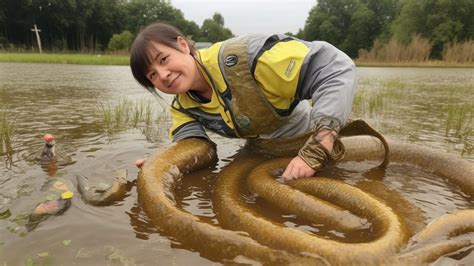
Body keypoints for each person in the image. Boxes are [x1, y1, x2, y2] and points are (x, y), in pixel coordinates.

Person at [130, 22, 356, 181]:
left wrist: (318, 149)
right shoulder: (183, 107)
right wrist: (164, 162)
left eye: (164, 59)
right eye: (152, 75)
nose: (163, 75)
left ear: (182, 45)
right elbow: (193, 146)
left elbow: (335, 68)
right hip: (259, 151)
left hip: (308, 139)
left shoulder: (246, 59)